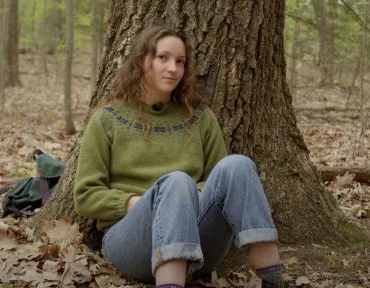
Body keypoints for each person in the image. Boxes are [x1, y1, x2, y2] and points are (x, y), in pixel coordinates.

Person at [73, 25, 286, 288]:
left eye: (180, 62)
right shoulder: (107, 120)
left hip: (197, 243)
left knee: (238, 165)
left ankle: (272, 279)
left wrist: (186, 198)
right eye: (163, 58)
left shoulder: (200, 119)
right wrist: (137, 202)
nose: (173, 68)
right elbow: (85, 195)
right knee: (175, 182)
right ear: (142, 61)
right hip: (132, 244)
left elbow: (220, 184)